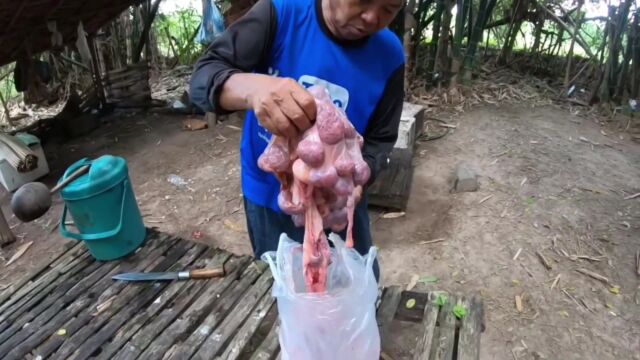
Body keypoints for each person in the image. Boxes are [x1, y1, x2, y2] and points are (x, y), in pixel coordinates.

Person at [189, 0, 405, 281]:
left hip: (340, 198)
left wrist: (356, 183)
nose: (371, 17)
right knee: (286, 281)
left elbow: (380, 139)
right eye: (362, 0)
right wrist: (253, 88)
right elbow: (202, 78)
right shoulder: (282, 13)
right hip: (269, 195)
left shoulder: (389, 55)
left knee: (355, 282)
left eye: (390, 9)